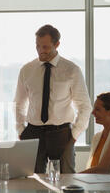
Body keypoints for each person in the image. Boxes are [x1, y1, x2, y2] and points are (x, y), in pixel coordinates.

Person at [14, 24, 92, 173]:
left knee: (67, 181)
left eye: (45, 47)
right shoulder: (27, 70)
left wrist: (74, 136)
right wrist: (20, 129)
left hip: (61, 133)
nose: (40, 51)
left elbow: (85, 106)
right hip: (33, 132)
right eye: (37, 46)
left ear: (57, 44)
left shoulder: (71, 70)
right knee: (32, 183)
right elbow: (19, 103)